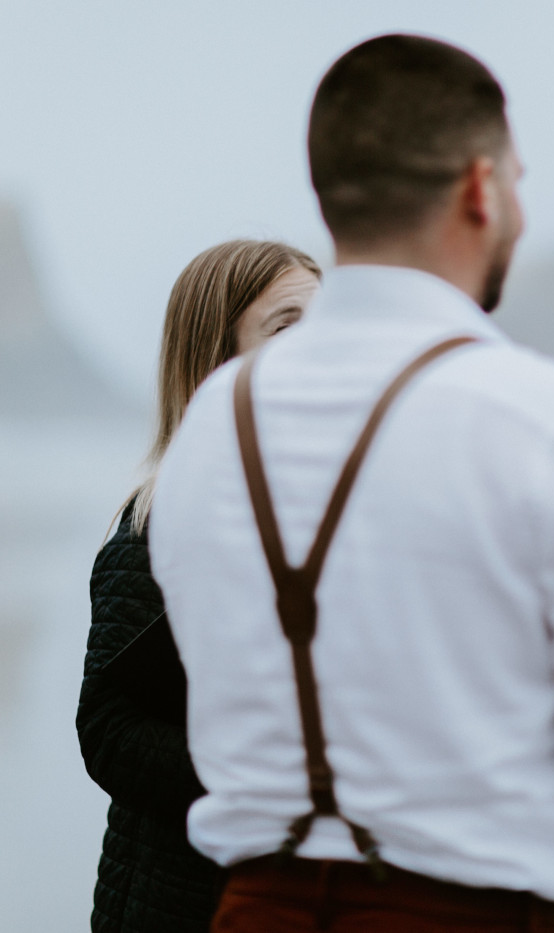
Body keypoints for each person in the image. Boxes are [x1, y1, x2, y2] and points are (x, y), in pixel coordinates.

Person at [148, 34, 554, 933]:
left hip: (253, 909)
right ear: (482, 187)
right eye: (518, 179)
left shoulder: (210, 421)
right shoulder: (550, 421)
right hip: (472, 912)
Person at [77, 239, 322, 933]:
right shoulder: (154, 525)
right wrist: (263, 782)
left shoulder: (339, 521)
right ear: (218, 363)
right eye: (285, 327)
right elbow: (109, 732)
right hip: (176, 899)